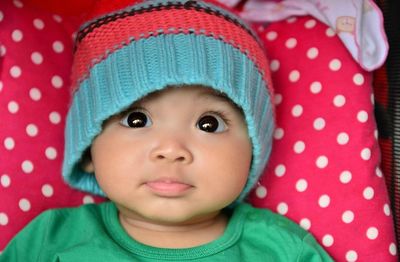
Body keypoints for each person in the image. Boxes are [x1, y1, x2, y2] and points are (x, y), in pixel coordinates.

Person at [1, 0, 332, 260]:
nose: (171, 149)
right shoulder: (51, 239)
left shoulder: (283, 250)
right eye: (136, 120)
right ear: (88, 148)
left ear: (254, 151)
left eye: (209, 124)